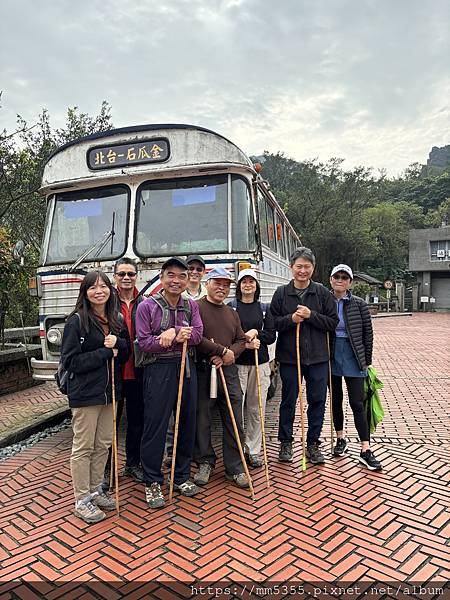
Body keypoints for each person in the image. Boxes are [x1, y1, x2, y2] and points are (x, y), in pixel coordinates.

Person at [61, 270, 130, 524]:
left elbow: (125, 353)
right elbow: (70, 362)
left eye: (103, 286)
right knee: (84, 446)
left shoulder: (116, 319)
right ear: (85, 292)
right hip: (85, 395)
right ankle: (81, 499)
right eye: (93, 287)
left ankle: (95, 490)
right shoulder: (77, 321)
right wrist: (104, 352)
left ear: (110, 291)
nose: (99, 291)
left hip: (110, 393)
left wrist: (119, 345)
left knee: (102, 444)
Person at [135, 257, 203, 509]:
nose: (176, 281)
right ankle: (152, 480)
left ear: (187, 280)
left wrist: (176, 335)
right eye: (170, 275)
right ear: (162, 278)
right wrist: (173, 335)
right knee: (156, 423)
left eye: (181, 276)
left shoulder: (191, 305)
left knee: (187, 421)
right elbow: (144, 342)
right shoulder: (147, 306)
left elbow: (197, 334)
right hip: (158, 369)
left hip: (186, 367)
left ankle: (181, 475)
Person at [270, 247, 338, 465]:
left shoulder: (322, 293)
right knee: (288, 401)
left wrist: (311, 316)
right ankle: (285, 442)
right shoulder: (281, 293)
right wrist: (291, 319)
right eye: (299, 266)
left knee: (317, 401)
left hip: (318, 358)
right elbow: (272, 324)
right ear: (291, 267)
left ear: (313, 268)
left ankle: (313, 444)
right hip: (290, 358)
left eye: (307, 266)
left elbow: (332, 323)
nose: (302, 270)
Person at [194, 267, 249, 488]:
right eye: (217, 283)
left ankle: (234, 467)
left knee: (234, 418)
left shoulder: (232, 312)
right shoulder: (195, 307)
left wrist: (229, 354)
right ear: (207, 283)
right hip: (204, 371)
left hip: (228, 372)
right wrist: (218, 351)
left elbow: (242, 340)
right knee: (203, 419)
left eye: (226, 285)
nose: (222, 288)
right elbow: (196, 337)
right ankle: (205, 462)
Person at [329, 264, 382, 471]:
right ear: (331, 279)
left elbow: (368, 333)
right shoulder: (325, 301)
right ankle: (340, 438)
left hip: (353, 356)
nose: (340, 280)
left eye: (344, 277)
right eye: (337, 276)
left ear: (350, 282)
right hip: (331, 355)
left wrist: (366, 360)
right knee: (336, 399)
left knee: (357, 402)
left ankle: (365, 449)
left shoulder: (359, 304)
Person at [229, 269, 276, 467]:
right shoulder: (231, 308)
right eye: (244, 282)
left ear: (257, 286)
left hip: (260, 363)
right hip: (238, 364)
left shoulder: (264, 308)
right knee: (236, 409)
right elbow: (229, 335)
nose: (248, 285)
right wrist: (244, 343)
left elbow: (271, 335)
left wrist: (257, 332)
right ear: (239, 286)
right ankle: (238, 448)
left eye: (252, 282)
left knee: (256, 409)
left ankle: (254, 449)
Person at [112, 257, 145, 483]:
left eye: (130, 274)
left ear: (136, 276)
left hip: (139, 370)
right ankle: (107, 470)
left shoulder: (145, 302)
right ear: (115, 276)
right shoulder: (106, 301)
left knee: (137, 421)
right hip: (113, 371)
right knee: (109, 424)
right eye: (122, 274)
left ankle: (133, 463)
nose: (126, 278)